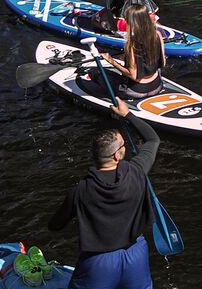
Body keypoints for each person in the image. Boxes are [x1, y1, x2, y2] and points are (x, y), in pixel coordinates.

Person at [48, 97, 161, 289]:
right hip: (135, 255)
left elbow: (56, 225)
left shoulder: (80, 190)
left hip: (98, 263)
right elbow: (153, 139)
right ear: (117, 155)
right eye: (123, 145)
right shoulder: (136, 171)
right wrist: (127, 114)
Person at [100, 0, 165, 101]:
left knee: (97, 74)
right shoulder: (157, 35)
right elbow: (163, 62)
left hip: (136, 91)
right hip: (157, 86)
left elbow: (134, 76)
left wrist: (111, 60)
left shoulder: (132, 44)